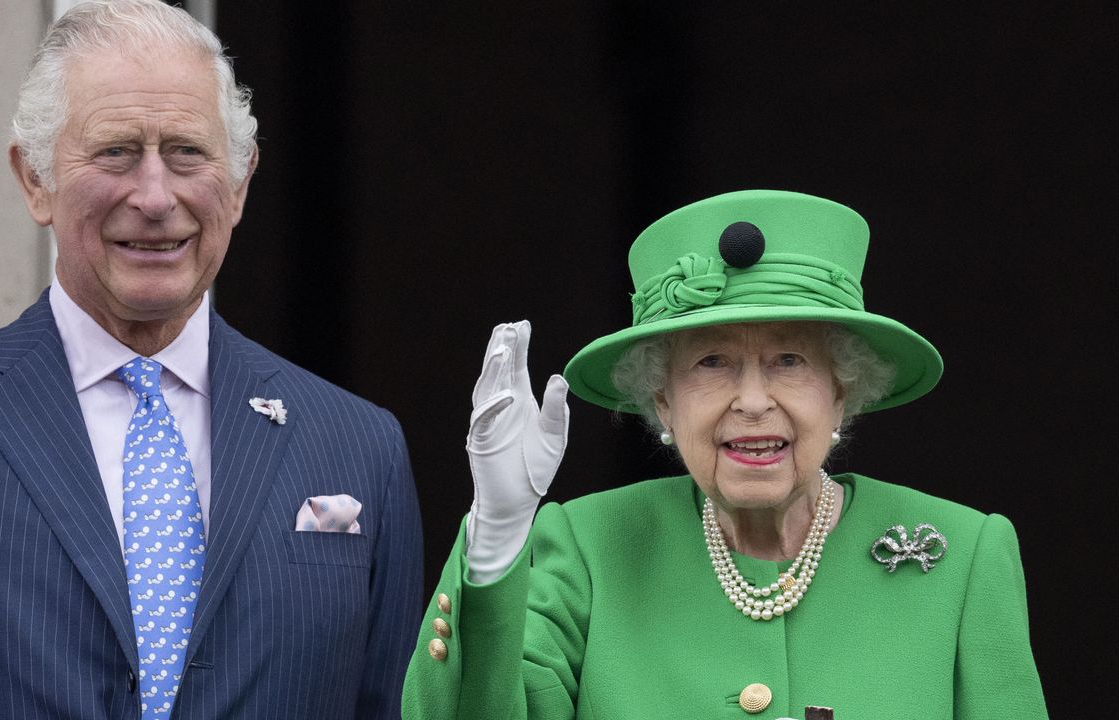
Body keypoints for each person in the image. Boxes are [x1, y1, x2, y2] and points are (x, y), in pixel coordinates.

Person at [0, 1, 422, 718]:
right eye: (115, 151)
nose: (154, 196)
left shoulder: (360, 448)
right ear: (35, 180)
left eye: (188, 152)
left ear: (238, 186)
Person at [402, 190, 1047, 718]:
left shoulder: (963, 557)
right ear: (662, 400)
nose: (753, 401)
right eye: (713, 363)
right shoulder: (586, 547)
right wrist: (497, 535)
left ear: (842, 391)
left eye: (788, 360)